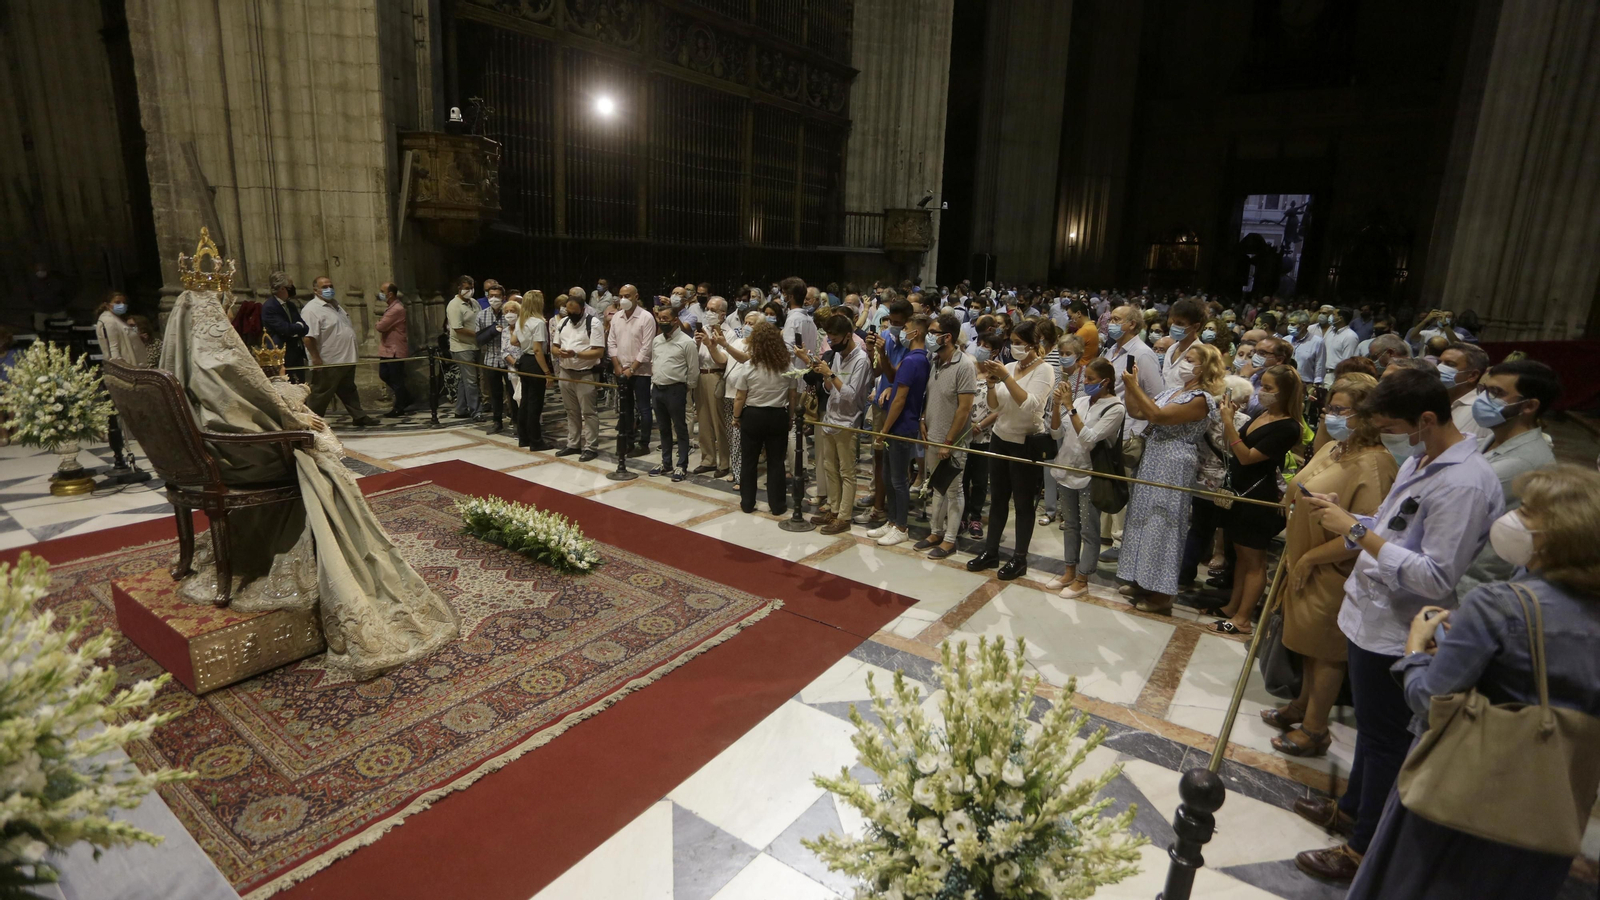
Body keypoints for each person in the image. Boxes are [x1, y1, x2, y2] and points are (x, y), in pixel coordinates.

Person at [159, 283, 457, 675]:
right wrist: (296, 423)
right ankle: (342, 566)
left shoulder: (181, 359)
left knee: (312, 442)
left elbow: (244, 402)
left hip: (208, 459)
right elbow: (251, 404)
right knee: (320, 461)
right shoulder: (217, 356)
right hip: (237, 461)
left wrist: (285, 405)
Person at [1344, 465, 1600, 900]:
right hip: (1551, 808)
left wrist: (1414, 651)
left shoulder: (1501, 605)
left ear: (1560, 532)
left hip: (1460, 796)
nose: (1516, 517)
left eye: (1531, 512)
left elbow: (1429, 700)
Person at [1293, 367, 1504, 883]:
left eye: (1393, 426)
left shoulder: (1463, 485)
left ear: (1426, 418)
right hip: (1371, 615)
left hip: (1399, 627)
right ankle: (1351, 810)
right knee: (1370, 731)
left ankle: (1364, 849)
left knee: (1386, 741)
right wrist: (1353, 520)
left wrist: (1356, 535)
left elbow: (1434, 576)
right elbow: (1394, 527)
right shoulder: (1422, 456)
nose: (1389, 437)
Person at [1265, 375, 1397, 758]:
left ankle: (1316, 728)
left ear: (1367, 416)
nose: (1329, 416)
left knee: (1325, 652)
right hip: (1304, 559)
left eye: (1339, 410)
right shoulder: (1337, 448)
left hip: (1331, 567)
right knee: (1307, 644)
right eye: (1328, 408)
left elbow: (1363, 533)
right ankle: (1302, 704)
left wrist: (1309, 557)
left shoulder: (1375, 464)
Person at [1115, 343, 1224, 613]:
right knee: (1142, 518)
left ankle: (1162, 593)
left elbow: (1158, 416)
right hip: (1153, 457)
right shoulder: (1174, 392)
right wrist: (1131, 386)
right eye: (1185, 357)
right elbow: (1138, 412)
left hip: (1174, 462)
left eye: (1191, 359)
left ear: (1205, 367)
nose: (1184, 362)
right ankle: (1142, 579)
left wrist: (1135, 386)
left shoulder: (1201, 398)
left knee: (1162, 523)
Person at [1211, 364, 1306, 634]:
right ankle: (1233, 606)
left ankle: (1243, 619)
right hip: (1240, 492)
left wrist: (1229, 421)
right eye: (1261, 385)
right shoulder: (1263, 415)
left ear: (1284, 393)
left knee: (1254, 562)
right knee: (1241, 557)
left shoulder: (1288, 427)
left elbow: (1247, 456)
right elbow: (1234, 446)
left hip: (1257, 496)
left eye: (1268, 388)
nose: (1261, 392)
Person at [1454, 359, 1561, 597]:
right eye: (1484, 389)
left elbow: (1450, 509)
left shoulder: (1523, 463)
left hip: (1470, 589)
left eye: (1496, 393)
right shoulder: (1488, 441)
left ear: (1529, 406)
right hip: (1455, 575)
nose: (1483, 399)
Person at [966, 319, 1057, 580]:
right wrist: (994, 383)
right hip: (1000, 437)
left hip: (1025, 442)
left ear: (1034, 345)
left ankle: (1019, 558)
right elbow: (995, 406)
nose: (1013, 347)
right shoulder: (1008, 366)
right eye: (1012, 342)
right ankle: (991, 550)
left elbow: (1029, 404)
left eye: (1018, 343)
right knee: (998, 499)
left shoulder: (1045, 371)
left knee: (1023, 503)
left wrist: (1005, 377)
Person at [1045, 358, 1125, 598]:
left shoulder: (1115, 408)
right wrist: (1059, 406)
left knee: (1089, 529)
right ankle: (1069, 571)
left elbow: (1090, 438)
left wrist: (1070, 408)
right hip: (1067, 468)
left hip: (1091, 473)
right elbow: (1056, 432)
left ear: (1105, 382)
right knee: (1070, 525)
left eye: (1090, 379)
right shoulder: (1080, 400)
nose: (1086, 382)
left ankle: (1083, 578)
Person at [914, 313, 977, 558]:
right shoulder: (935, 360)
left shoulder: (965, 365)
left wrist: (949, 441)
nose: (928, 336)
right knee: (936, 488)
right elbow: (929, 396)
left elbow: (964, 408)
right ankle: (935, 532)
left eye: (932, 332)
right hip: (932, 434)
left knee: (954, 490)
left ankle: (950, 540)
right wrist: (922, 419)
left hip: (953, 441)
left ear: (947, 337)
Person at [869, 314, 933, 547]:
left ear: (915, 333)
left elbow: (900, 398)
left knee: (898, 480)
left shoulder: (914, 360)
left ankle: (902, 526)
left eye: (905, 328)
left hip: (901, 426)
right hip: (897, 426)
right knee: (888, 474)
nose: (901, 332)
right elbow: (894, 381)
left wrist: (884, 429)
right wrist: (883, 355)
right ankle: (892, 520)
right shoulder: (914, 359)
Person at [807, 312, 872, 535]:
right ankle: (833, 510)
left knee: (846, 471)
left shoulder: (861, 360)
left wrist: (831, 374)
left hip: (847, 421)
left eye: (834, 339)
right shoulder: (836, 354)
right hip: (830, 419)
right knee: (829, 468)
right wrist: (824, 376)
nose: (830, 343)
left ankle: (844, 517)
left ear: (847, 335)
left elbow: (851, 395)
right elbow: (829, 389)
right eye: (829, 338)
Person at [856, 298, 912, 528]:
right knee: (879, 458)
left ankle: (894, 515)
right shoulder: (888, 337)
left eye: (899, 323)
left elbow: (893, 376)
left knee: (898, 466)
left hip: (900, 408)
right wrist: (871, 350)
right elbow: (878, 370)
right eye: (891, 322)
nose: (893, 327)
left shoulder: (912, 344)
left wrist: (883, 354)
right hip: (880, 405)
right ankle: (879, 506)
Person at [731, 321, 796, 515]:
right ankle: (777, 505)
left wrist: (736, 416)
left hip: (753, 415)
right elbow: (792, 395)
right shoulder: (787, 365)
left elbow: (740, 396)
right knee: (776, 462)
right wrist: (790, 417)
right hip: (777, 415)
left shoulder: (749, 365)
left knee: (749, 460)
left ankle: (748, 502)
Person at [302, 276, 378, 426]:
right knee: (321, 393)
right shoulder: (311, 310)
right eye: (324, 287)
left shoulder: (336, 306)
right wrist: (316, 358)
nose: (329, 289)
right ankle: (312, 422)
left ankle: (359, 416)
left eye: (330, 286)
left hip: (346, 358)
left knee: (348, 389)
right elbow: (308, 337)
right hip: (329, 360)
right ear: (315, 290)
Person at [961, 330, 1004, 540]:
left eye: (986, 346)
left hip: (985, 436)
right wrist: (968, 423)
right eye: (980, 343)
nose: (981, 348)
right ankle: (960, 513)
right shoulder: (968, 368)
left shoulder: (998, 375)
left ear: (995, 351)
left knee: (979, 480)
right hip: (964, 432)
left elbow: (1000, 407)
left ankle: (975, 517)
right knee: (962, 477)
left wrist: (980, 424)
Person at [552, 294, 605, 460]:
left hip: (585, 373)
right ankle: (573, 444)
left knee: (588, 412)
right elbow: (554, 347)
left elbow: (598, 352)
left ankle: (591, 447)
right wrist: (559, 352)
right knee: (571, 411)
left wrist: (576, 353)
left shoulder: (594, 323)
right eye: (569, 312)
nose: (571, 315)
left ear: (583, 310)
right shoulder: (563, 323)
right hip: (565, 372)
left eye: (575, 312)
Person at [648, 305, 698, 481]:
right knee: (663, 428)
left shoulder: (687, 342)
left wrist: (687, 389)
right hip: (658, 388)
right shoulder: (656, 340)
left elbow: (693, 370)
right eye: (660, 318)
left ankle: (682, 465)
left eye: (665, 318)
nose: (662, 321)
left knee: (680, 428)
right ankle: (666, 462)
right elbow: (655, 363)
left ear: (675, 320)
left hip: (676, 389)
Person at [608, 285, 656, 457]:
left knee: (643, 407)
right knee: (625, 407)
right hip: (621, 369)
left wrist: (632, 368)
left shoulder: (646, 317)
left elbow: (647, 347)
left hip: (641, 370)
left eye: (627, 296)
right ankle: (627, 441)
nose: (623, 299)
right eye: (621, 296)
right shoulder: (617, 317)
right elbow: (611, 342)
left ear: (636, 296)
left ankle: (643, 443)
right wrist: (617, 366)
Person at [692, 297, 735, 477]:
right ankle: (707, 459)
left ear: (722, 314)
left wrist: (711, 345)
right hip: (700, 375)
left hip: (716, 375)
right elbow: (694, 356)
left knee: (719, 422)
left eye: (713, 310)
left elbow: (723, 360)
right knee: (703, 420)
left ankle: (724, 462)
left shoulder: (729, 333)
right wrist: (697, 343)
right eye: (707, 309)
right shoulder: (702, 330)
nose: (708, 312)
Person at [512, 290, 551, 450]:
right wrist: (547, 372)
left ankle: (524, 438)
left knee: (526, 402)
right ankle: (536, 441)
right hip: (535, 362)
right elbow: (537, 350)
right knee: (535, 403)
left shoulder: (521, 320)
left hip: (524, 361)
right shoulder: (538, 322)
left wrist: (524, 342)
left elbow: (514, 340)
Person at [1437, 342, 1490, 439]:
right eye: (1439, 363)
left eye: (1450, 364)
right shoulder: (1437, 399)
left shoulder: (1478, 411)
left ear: (1472, 376)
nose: (1438, 368)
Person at [262, 271, 309, 380]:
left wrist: (297, 327)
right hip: (280, 354)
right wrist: (297, 327)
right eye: (290, 286)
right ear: (282, 288)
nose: (292, 288)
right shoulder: (270, 307)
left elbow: (305, 328)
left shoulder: (291, 305)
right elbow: (285, 329)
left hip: (295, 352)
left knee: (300, 384)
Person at [445, 276, 480, 418]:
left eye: (471, 288)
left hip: (475, 345)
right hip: (462, 346)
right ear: (459, 288)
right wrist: (478, 334)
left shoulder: (474, 302)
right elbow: (457, 328)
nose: (470, 291)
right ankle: (476, 411)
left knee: (465, 379)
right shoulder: (454, 305)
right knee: (471, 381)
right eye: (466, 288)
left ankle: (460, 409)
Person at [374, 282, 410, 418]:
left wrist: (378, 322)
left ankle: (400, 406)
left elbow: (381, 326)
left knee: (396, 379)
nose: (380, 293)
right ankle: (405, 397)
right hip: (387, 349)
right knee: (384, 374)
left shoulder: (397, 309)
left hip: (394, 350)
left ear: (390, 294)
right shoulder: (391, 308)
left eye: (382, 291)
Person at [477, 286, 511, 428]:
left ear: (503, 297)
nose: (494, 299)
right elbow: (478, 339)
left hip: (508, 360)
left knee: (511, 391)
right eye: (491, 296)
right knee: (495, 393)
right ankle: (497, 421)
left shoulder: (509, 313)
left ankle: (515, 419)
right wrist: (492, 331)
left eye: (497, 296)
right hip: (491, 358)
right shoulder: (482, 315)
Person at [94, 292, 146, 367]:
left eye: (124, 302)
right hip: (127, 367)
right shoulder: (109, 320)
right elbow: (113, 347)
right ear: (107, 305)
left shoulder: (118, 319)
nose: (122, 305)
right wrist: (119, 367)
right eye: (117, 302)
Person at [1321, 306, 1359, 388]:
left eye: (1334, 314)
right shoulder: (1330, 331)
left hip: (1334, 376)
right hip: (1322, 375)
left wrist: (1340, 380)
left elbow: (1347, 363)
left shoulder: (1350, 336)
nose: (1331, 317)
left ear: (1340, 318)